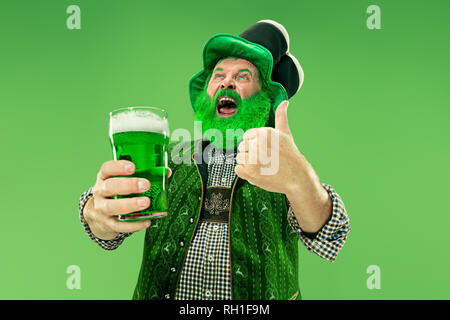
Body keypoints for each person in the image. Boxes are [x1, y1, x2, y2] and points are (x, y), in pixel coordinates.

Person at [78, 20, 350, 300]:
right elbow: (105, 228)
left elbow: (331, 237)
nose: (227, 82)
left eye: (243, 76)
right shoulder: (166, 156)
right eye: (218, 75)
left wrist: (302, 181)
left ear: (264, 100)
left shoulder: (281, 163)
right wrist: (97, 213)